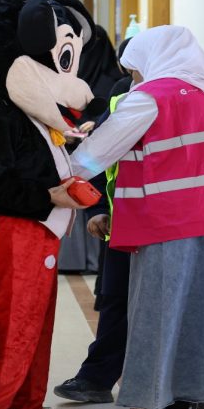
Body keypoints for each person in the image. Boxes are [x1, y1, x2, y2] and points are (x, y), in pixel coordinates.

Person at [70, 25, 204, 409]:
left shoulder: (151, 97)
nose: (134, 78)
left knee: (161, 312)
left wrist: (52, 172)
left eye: (135, 68)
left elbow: (89, 159)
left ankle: (158, 405)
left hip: (172, 222)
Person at [0, 0, 105, 409]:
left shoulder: (28, 110)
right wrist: (47, 195)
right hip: (6, 232)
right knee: (7, 320)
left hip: (38, 232)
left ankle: (25, 403)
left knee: (35, 323)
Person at [54, 38, 133, 403]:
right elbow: (100, 154)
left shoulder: (182, 97)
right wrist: (96, 207)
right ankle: (97, 379)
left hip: (170, 226)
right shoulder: (123, 93)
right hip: (123, 220)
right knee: (115, 299)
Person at [57, 25, 126, 275]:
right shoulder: (70, 78)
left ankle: (88, 261)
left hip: (98, 155)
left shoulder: (116, 85)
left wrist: (94, 124)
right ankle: (77, 260)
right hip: (76, 149)